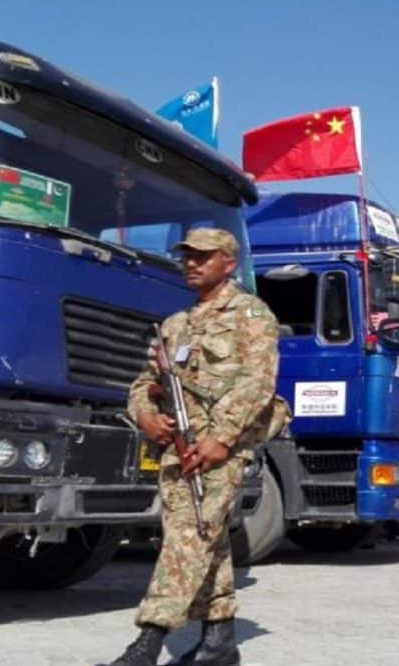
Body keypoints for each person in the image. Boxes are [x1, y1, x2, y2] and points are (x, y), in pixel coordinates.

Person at [98, 228, 281, 666]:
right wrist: (144, 414)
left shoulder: (252, 315)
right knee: (205, 536)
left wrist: (222, 438)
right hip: (177, 448)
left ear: (228, 263)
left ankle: (147, 642)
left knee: (185, 538)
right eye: (186, 256)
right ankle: (219, 642)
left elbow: (259, 384)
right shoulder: (174, 326)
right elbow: (144, 384)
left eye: (203, 256)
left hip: (222, 448)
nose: (191, 263)